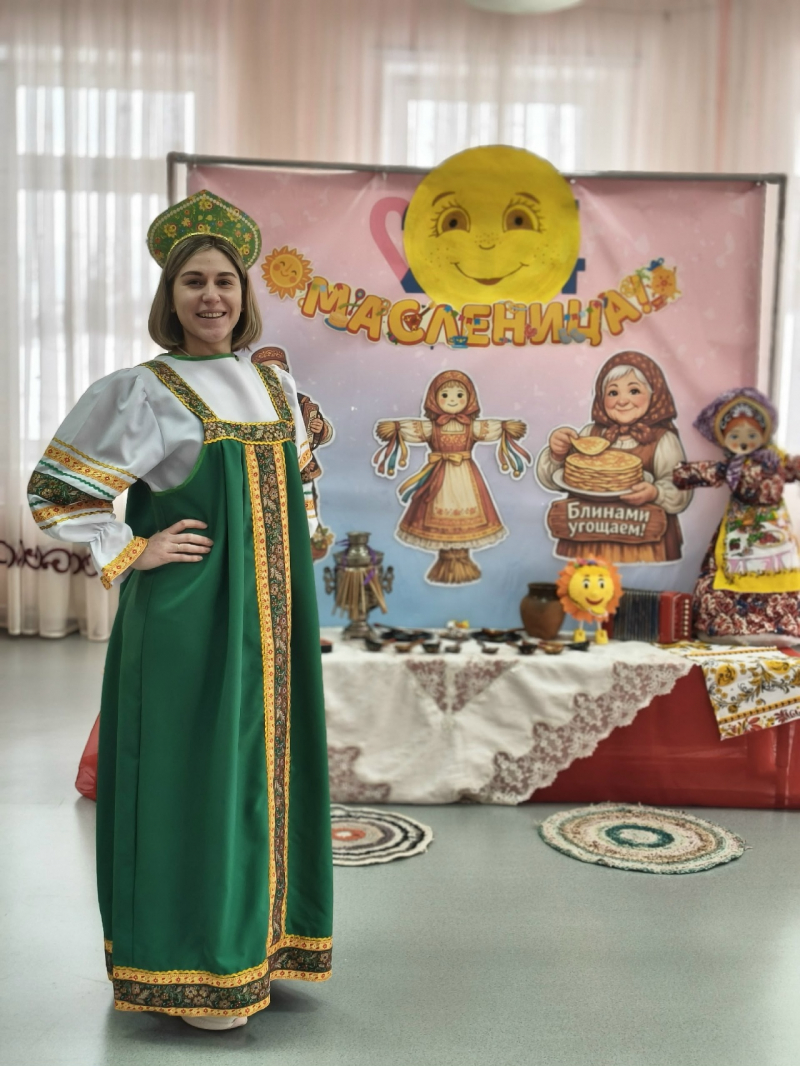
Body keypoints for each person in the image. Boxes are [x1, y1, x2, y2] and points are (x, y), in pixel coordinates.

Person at [27, 190, 333, 1029]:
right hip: (189, 618)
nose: (211, 296)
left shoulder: (275, 383)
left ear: (244, 294)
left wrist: (294, 550)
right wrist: (134, 547)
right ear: (170, 296)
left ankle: (261, 944)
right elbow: (57, 490)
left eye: (225, 281)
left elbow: (302, 485)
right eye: (193, 282)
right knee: (191, 778)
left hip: (273, 620)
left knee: (264, 775)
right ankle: (190, 966)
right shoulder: (145, 390)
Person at [374, 369, 529, 584]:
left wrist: (507, 428)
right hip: (439, 476)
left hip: (465, 475)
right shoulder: (431, 427)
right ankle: (446, 562)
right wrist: (395, 428)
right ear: (433, 398)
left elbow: (494, 428)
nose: (452, 400)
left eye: (459, 395)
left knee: (467, 509)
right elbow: (410, 429)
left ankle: (460, 560)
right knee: (438, 509)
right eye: (445, 395)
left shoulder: (471, 427)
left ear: (470, 398)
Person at [536, 350, 692, 563]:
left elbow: (681, 488)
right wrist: (557, 454)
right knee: (582, 582)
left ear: (655, 395)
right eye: (613, 393)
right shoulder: (589, 434)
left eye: (634, 391)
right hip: (584, 533)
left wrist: (656, 492)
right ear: (601, 398)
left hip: (644, 540)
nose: (622, 401)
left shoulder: (664, 440)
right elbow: (554, 480)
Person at [673, 387, 800, 642]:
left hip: (774, 525)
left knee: (781, 572)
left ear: (763, 433)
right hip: (739, 523)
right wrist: (681, 474)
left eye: (751, 435)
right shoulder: (732, 466)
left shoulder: (777, 461)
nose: (744, 441)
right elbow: (706, 472)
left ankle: (783, 627)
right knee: (728, 572)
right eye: (735, 435)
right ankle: (725, 628)